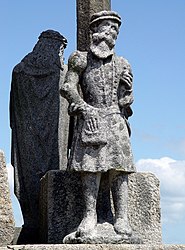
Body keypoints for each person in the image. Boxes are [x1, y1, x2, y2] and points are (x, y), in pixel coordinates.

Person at [60, 10, 136, 238]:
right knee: (90, 168)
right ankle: (89, 215)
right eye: (107, 27)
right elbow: (67, 87)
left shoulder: (123, 63)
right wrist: (83, 108)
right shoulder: (80, 58)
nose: (112, 33)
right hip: (91, 117)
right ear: (94, 30)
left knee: (120, 169)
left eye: (116, 29)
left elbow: (126, 100)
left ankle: (122, 216)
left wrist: (127, 93)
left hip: (115, 119)